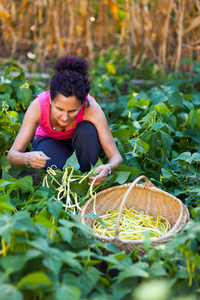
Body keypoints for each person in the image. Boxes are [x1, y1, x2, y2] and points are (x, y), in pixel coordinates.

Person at [7, 55, 122, 187]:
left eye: (73, 110)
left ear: (82, 104)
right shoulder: (38, 106)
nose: (65, 117)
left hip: (83, 144)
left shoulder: (91, 108)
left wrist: (108, 168)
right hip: (50, 143)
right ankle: (74, 185)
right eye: (59, 109)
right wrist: (28, 158)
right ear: (50, 100)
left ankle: (87, 182)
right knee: (64, 173)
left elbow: (115, 156)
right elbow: (12, 156)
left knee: (87, 130)